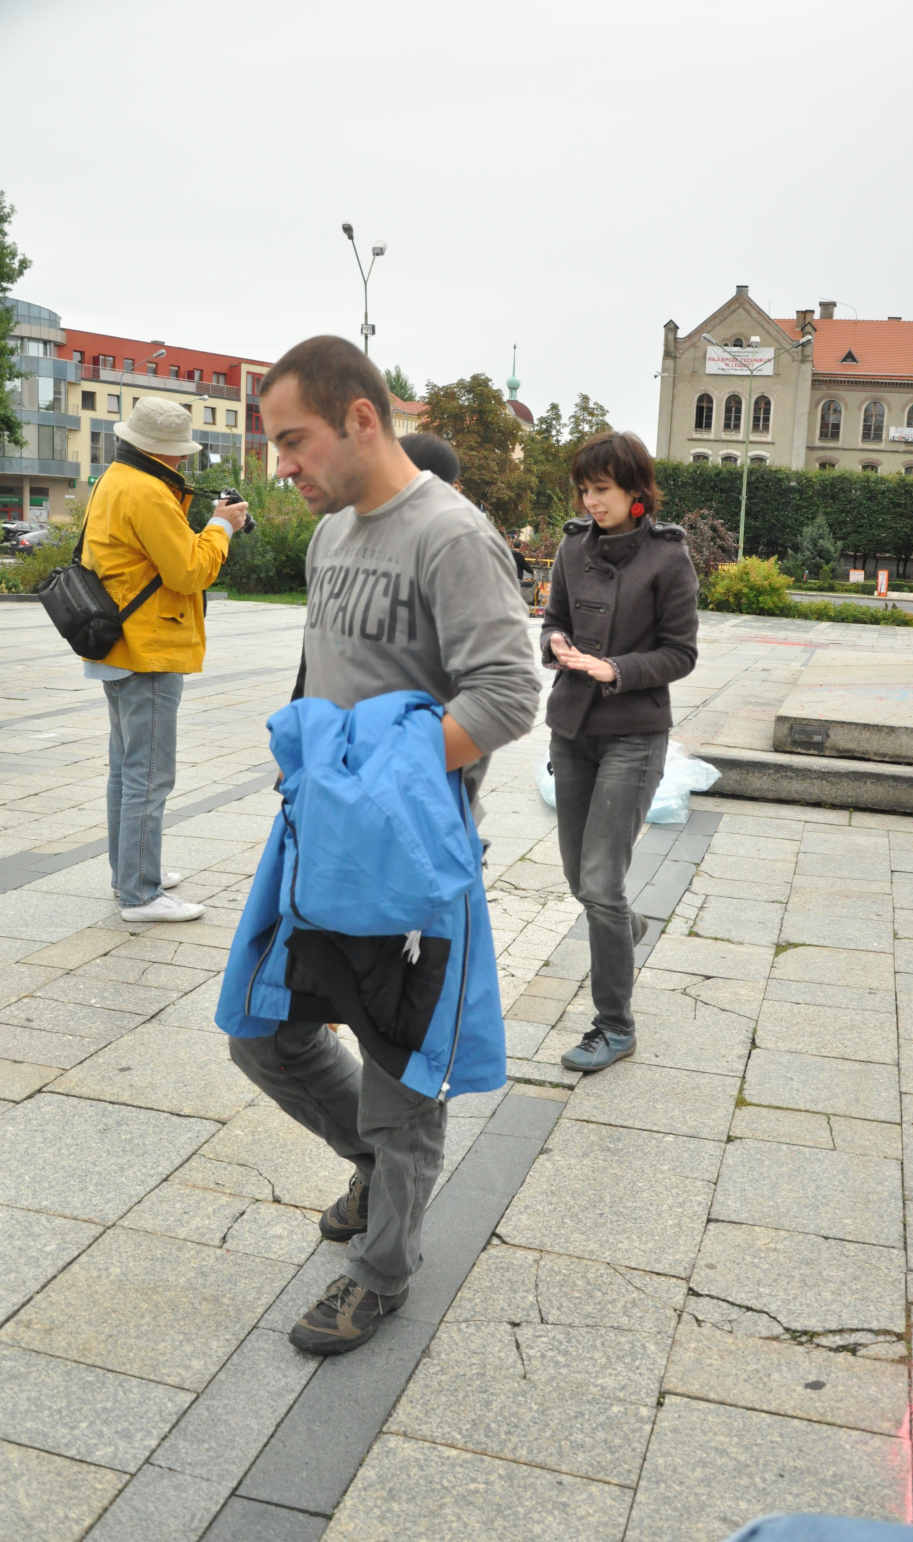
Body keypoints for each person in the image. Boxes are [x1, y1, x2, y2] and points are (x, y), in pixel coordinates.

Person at [227, 336, 539, 1356]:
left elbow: (507, 695)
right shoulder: (330, 540)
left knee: (402, 1081)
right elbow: (322, 682)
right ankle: (370, 1168)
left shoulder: (451, 537)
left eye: (293, 440)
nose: (283, 465)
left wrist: (379, 786)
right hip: (317, 847)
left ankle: (383, 1273)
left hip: (410, 862)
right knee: (263, 1037)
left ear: (361, 418)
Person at [540, 431, 699, 1073]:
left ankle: (614, 1024)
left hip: (634, 732)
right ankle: (623, 931)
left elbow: (681, 653)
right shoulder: (572, 546)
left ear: (636, 491)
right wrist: (554, 643)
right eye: (585, 489)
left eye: (601, 489)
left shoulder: (668, 558)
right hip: (572, 729)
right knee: (583, 881)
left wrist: (616, 670)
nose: (590, 500)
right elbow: (551, 618)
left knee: (601, 883)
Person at [82, 397, 248, 922]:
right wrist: (220, 526)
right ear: (163, 452)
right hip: (148, 646)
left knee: (125, 769)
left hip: (118, 640)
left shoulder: (114, 479)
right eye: (178, 454)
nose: (181, 462)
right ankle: (141, 893)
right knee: (148, 774)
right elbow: (189, 573)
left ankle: (130, 870)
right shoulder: (149, 492)